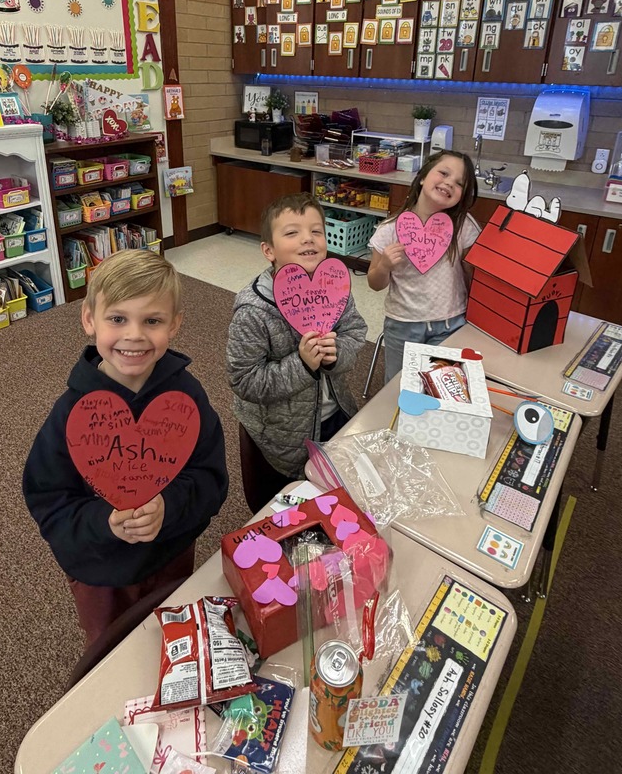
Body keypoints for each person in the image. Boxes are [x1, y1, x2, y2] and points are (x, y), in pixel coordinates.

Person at [23, 250, 229, 647]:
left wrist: (168, 506)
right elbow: (48, 500)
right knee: (110, 647)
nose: (134, 335)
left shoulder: (186, 396)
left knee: (176, 638)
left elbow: (210, 478)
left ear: (175, 325)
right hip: (102, 570)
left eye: (152, 320)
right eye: (117, 319)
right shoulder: (71, 413)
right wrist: (105, 521)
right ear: (89, 320)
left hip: (171, 552)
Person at [226, 192, 367, 513]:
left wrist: (336, 353)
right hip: (281, 437)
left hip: (335, 417)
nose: (308, 239)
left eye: (316, 231)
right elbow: (244, 381)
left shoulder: (335, 288)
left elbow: (355, 332)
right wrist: (302, 365)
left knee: (334, 497)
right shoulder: (253, 310)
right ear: (268, 251)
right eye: (292, 232)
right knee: (283, 509)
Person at [367, 150, 479, 383]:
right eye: (444, 173)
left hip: (451, 323)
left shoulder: (464, 227)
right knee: (400, 386)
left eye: (459, 183)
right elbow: (374, 283)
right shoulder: (389, 229)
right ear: (422, 177)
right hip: (403, 325)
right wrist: (385, 265)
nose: (449, 183)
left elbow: (475, 276)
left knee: (443, 388)